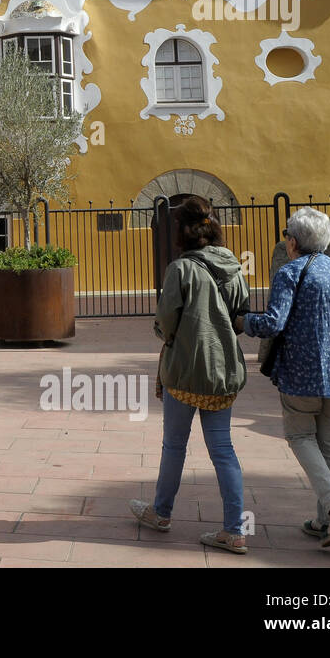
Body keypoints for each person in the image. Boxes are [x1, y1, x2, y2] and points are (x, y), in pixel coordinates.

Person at [237, 207, 330, 548]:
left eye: (286, 236)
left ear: (293, 241)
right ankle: (325, 520)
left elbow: (273, 322)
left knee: (300, 436)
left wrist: (242, 322)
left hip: (303, 372)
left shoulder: (291, 272)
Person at [129, 196, 251, 554]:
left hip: (184, 372)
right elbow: (240, 315)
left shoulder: (180, 269)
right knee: (223, 449)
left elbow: (166, 321)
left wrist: (169, 336)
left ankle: (161, 512)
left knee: (174, 445)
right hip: (222, 372)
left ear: (181, 232)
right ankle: (234, 530)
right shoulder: (232, 266)